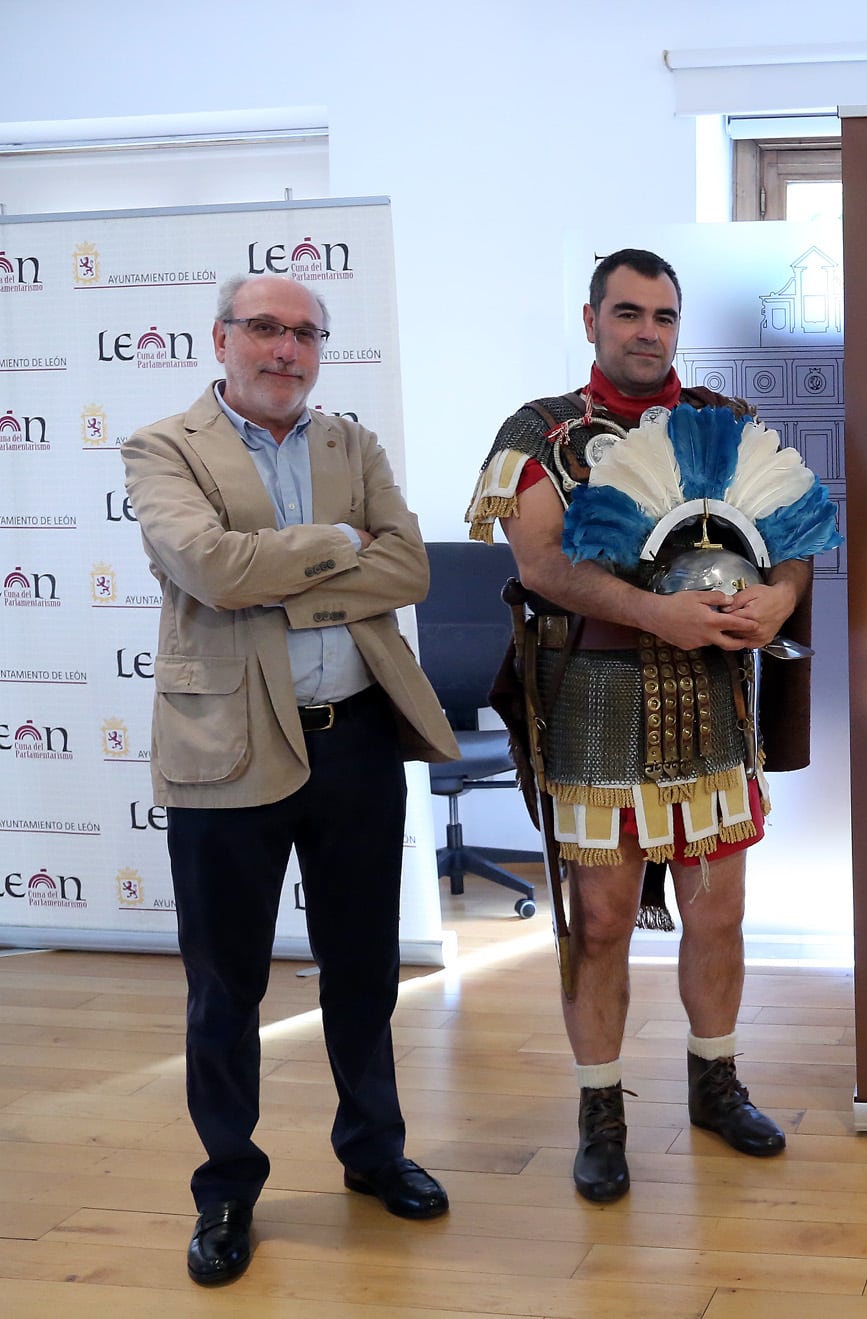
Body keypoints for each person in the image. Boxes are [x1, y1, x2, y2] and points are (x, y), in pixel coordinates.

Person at [466, 248, 839, 1203]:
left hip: (712, 697)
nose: (646, 331)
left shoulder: (725, 423)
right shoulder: (543, 433)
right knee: (598, 922)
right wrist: (657, 613)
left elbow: (792, 540)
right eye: (627, 313)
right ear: (591, 320)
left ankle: (714, 1082)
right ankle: (602, 1109)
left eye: (663, 316)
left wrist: (776, 599)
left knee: (721, 910)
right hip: (593, 693)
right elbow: (545, 566)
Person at [122, 273, 462, 1285]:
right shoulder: (163, 446)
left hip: (355, 737)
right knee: (226, 985)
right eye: (265, 329)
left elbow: (409, 569)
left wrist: (285, 574)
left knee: (362, 966)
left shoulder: (347, 444)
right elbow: (211, 569)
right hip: (228, 744)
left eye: (305, 333)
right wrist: (332, 548)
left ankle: (373, 1150)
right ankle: (226, 1183)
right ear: (222, 337)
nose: (286, 349)